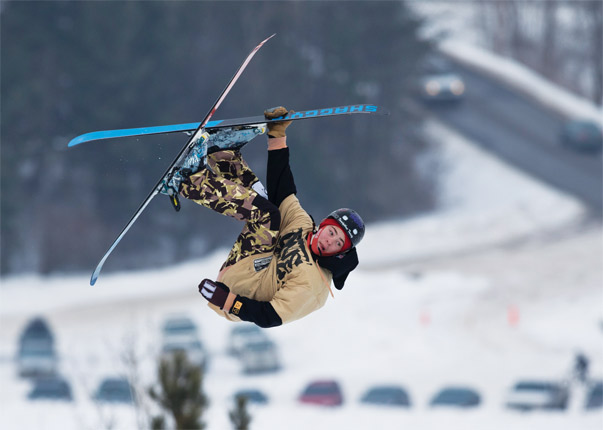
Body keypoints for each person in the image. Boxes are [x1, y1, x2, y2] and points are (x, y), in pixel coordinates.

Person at [178, 106, 365, 328]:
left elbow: (271, 316)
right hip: (248, 262)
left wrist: (228, 302)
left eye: (337, 244)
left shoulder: (314, 288)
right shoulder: (303, 226)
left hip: (239, 292)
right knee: (268, 203)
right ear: (323, 225)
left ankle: (189, 181)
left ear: (341, 254)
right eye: (332, 233)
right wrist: (277, 135)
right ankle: (223, 155)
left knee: (268, 215)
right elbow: (282, 188)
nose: (329, 242)